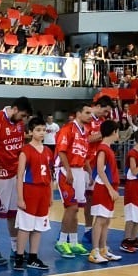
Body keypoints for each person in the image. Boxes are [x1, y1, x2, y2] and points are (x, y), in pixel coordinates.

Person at [0, 97, 33, 268]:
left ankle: (15, 248)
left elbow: (19, 145)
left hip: (15, 172)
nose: (23, 119)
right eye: (22, 115)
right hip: (0, 173)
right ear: (14, 109)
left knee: (14, 212)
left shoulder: (19, 123)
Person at [54, 103, 92, 259]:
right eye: (87, 112)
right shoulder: (67, 129)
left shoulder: (86, 131)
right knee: (71, 207)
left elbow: (84, 154)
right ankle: (62, 241)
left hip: (79, 170)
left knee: (77, 209)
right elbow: (62, 151)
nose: (90, 115)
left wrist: (88, 171)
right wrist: (68, 170)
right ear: (78, 114)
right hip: (65, 169)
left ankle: (74, 242)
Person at [15, 117, 52, 270]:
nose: (41, 132)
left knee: (38, 227)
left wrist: (50, 196)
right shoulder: (26, 151)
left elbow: (50, 175)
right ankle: (19, 256)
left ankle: (33, 257)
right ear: (30, 132)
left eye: (43, 130)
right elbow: (20, 175)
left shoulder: (49, 151)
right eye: (38, 130)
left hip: (43, 191)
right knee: (25, 226)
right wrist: (20, 197)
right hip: (30, 190)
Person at [80, 96, 114, 247]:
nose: (106, 114)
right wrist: (104, 134)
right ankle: (84, 230)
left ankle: (92, 230)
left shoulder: (101, 122)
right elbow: (84, 140)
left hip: (96, 164)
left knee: (93, 198)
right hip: (84, 164)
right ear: (99, 106)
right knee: (82, 201)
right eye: (105, 110)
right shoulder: (87, 119)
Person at [88, 120, 122, 264]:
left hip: (109, 187)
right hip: (103, 188)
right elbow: (100, 170)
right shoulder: (103, 149)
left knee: (106, 220)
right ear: (114, 132)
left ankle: (103, 249)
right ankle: (94, 251)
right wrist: (109, 189)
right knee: (100, 220)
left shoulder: (107, 148)